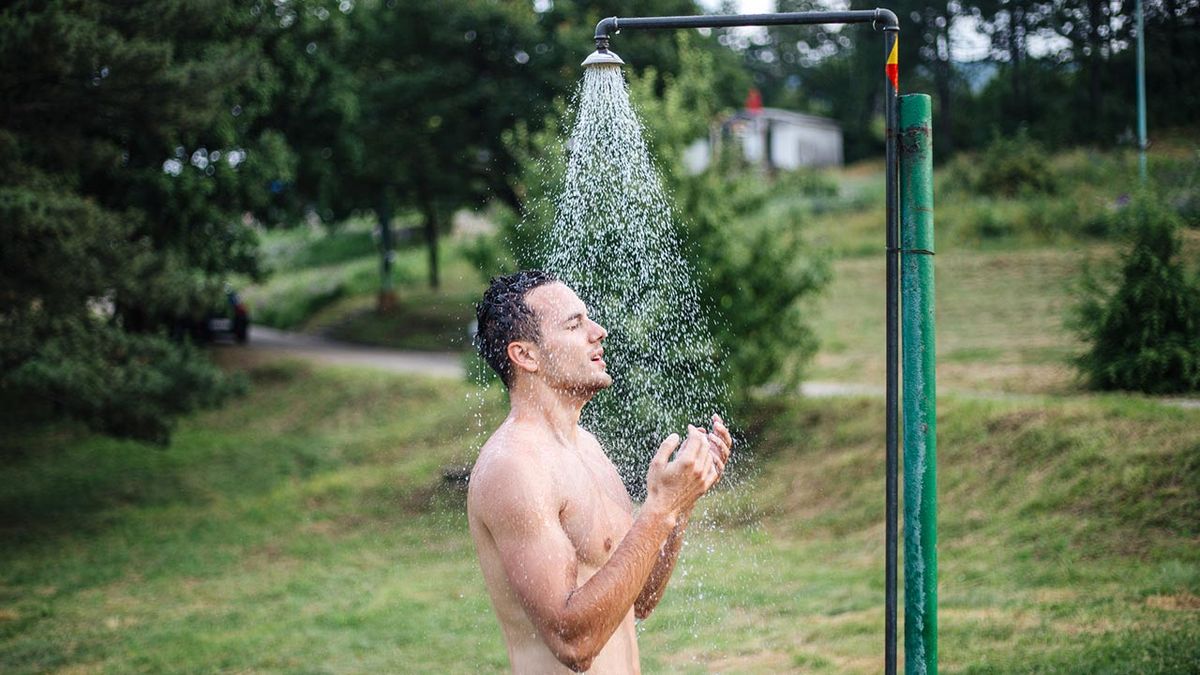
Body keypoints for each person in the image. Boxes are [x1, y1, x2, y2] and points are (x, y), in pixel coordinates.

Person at [468, 270, 732, 673]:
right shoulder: (513, 466)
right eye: (574, 324)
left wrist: (681, 501)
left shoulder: (586, 447)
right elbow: (573, 644)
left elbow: (639, 599)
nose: (599, 331)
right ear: (526, 356)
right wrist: (660, 509)